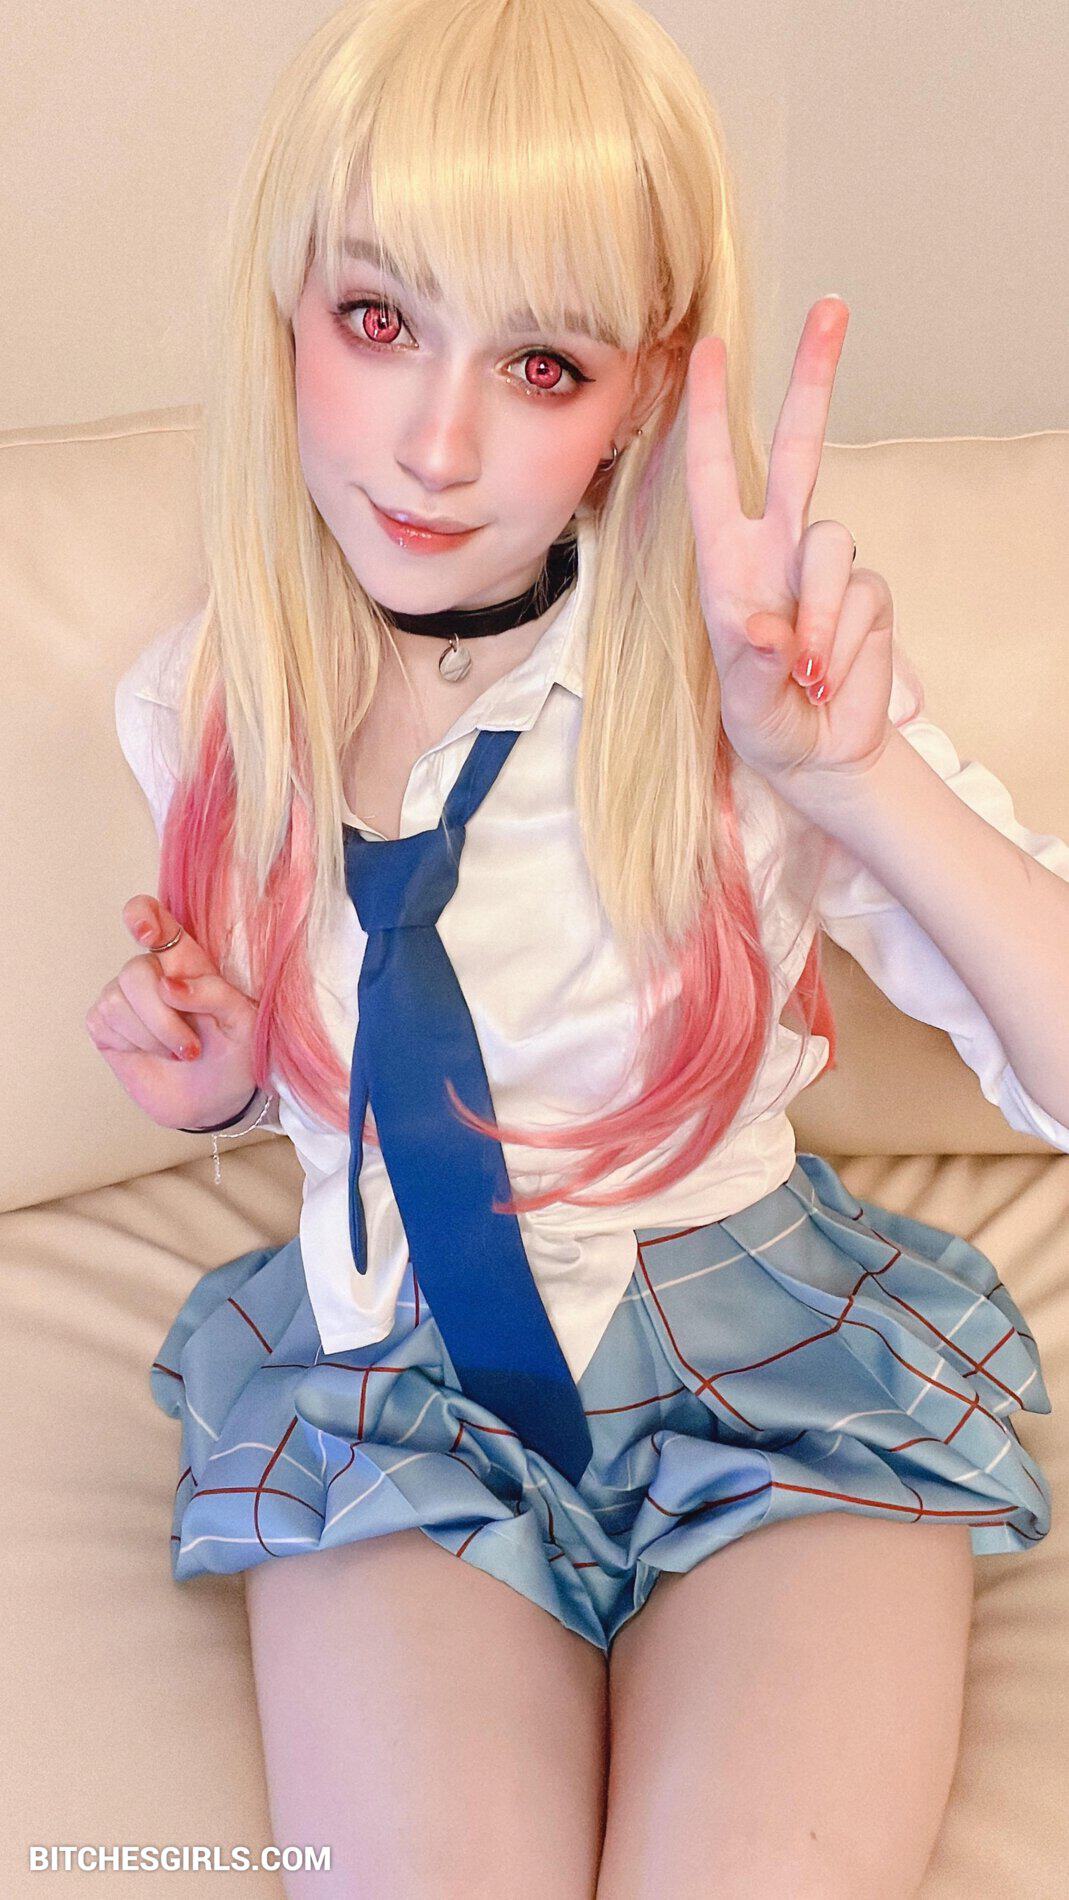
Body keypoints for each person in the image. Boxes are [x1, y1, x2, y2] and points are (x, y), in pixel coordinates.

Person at [90, 1, 1066, 1894]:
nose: (436, 443)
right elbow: (340, 1063)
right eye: (378, 319)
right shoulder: (205, 704)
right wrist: (218, 1080)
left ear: (639, 396)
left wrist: (852, 777)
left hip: (766, 1359)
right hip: (389, 1376)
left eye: (540, 361)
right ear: (283, 307)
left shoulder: (745, 678)